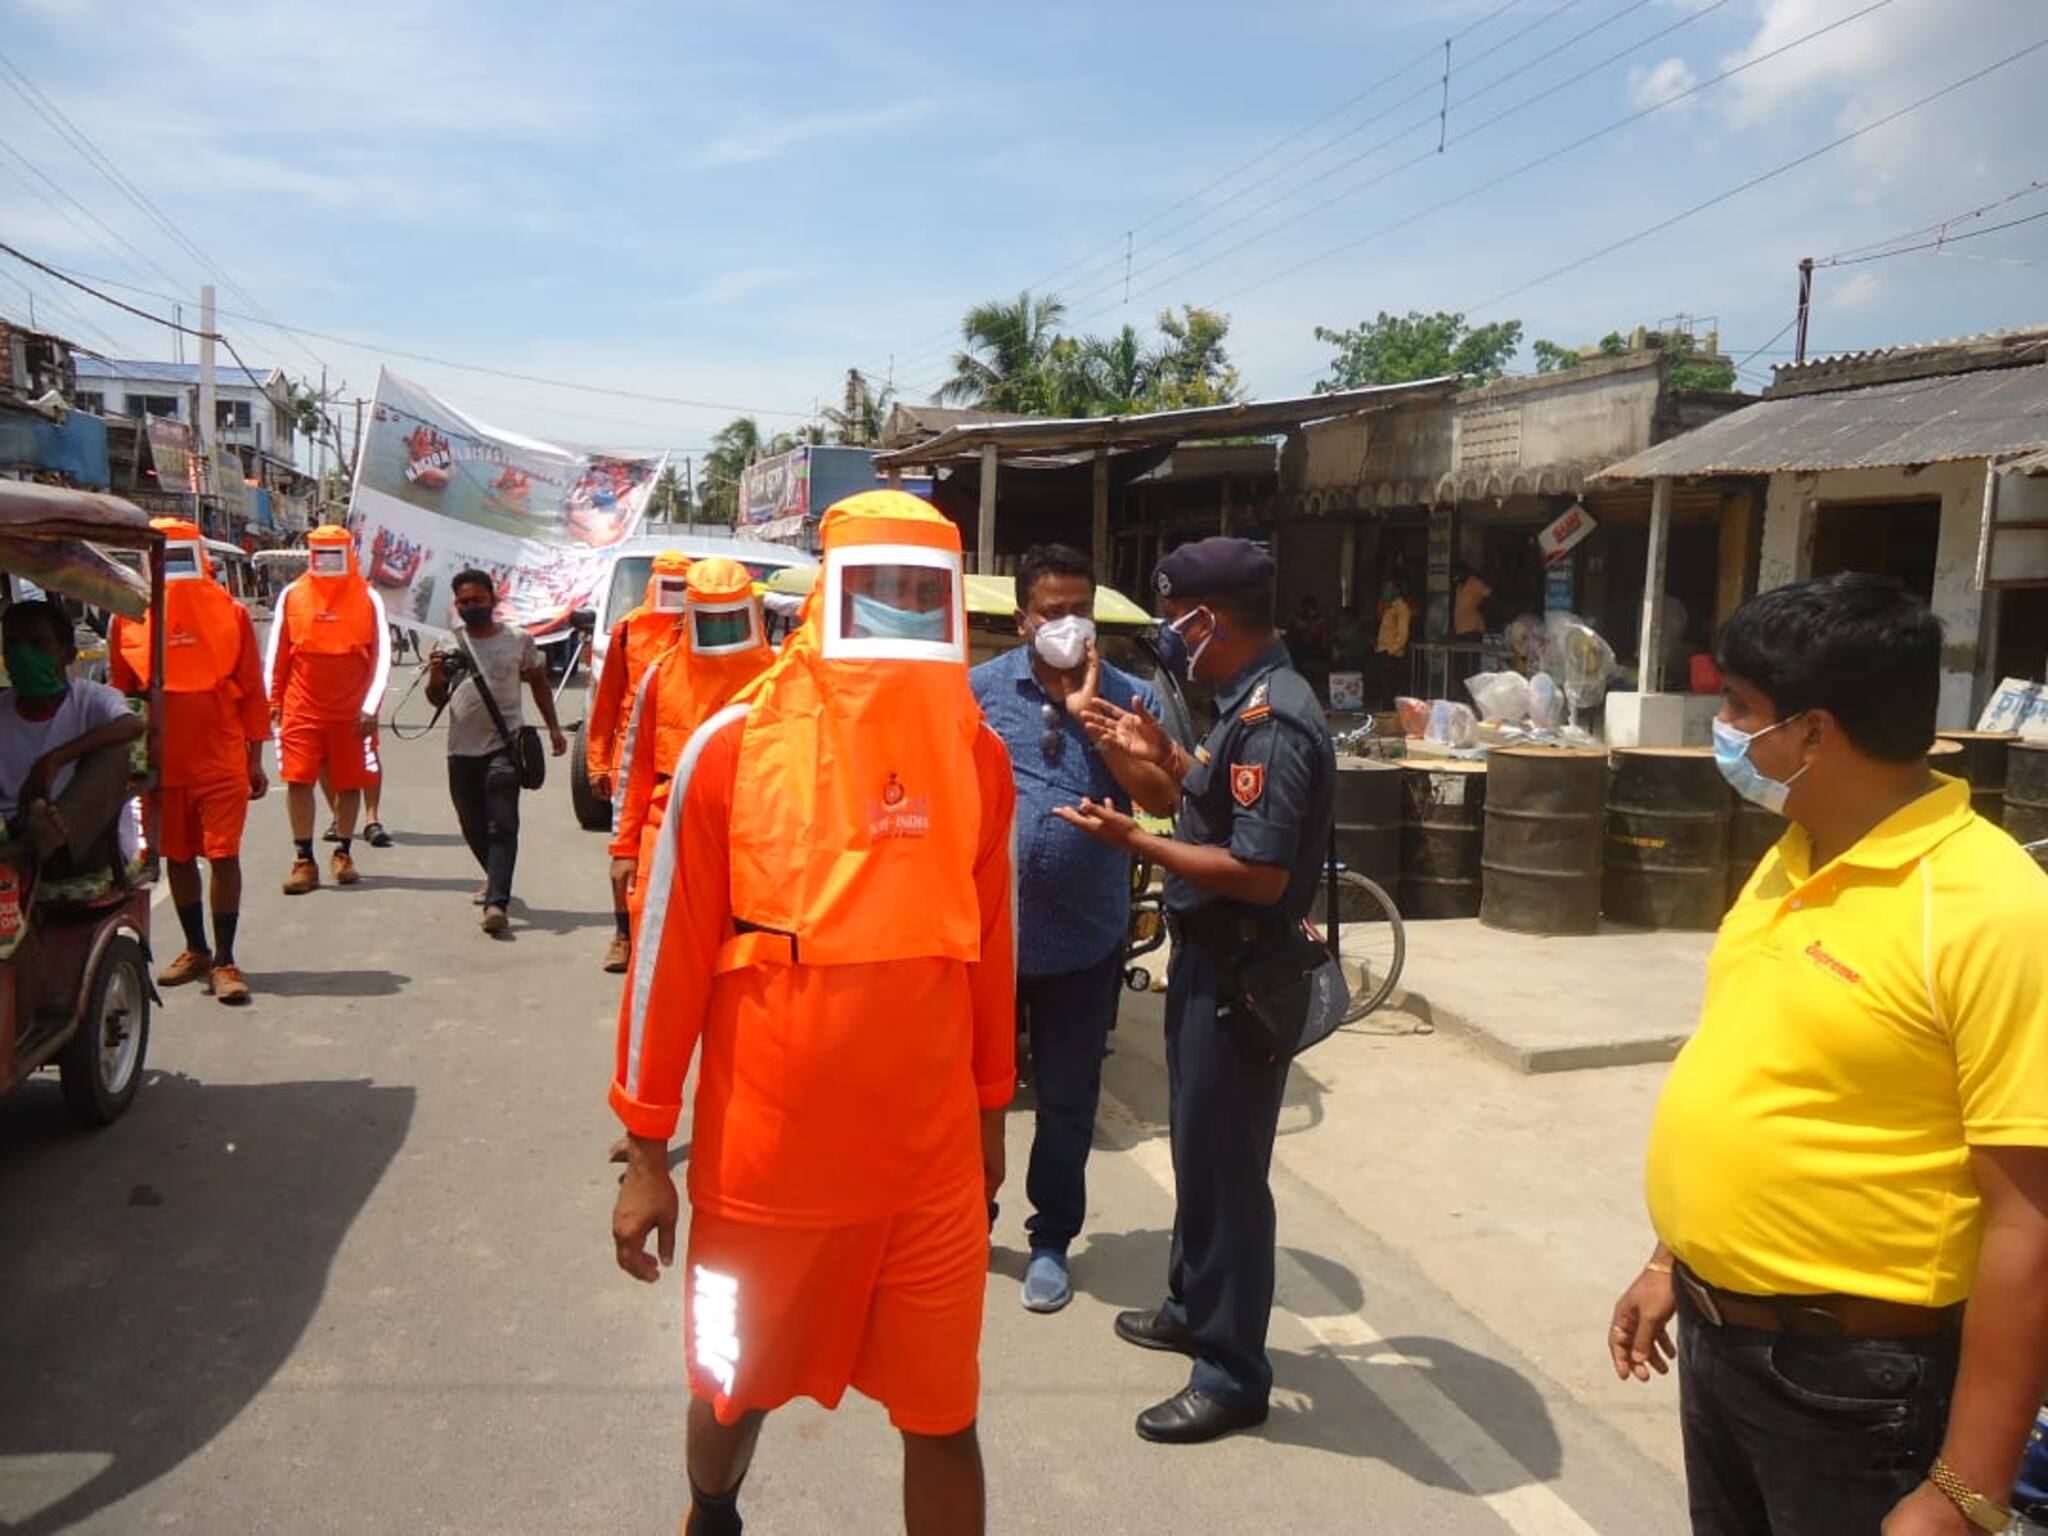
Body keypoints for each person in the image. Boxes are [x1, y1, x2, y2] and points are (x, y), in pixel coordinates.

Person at [1608, 574, 2048, 1536]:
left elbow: (2031, 1221)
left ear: (1813, 734)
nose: (1721, 728)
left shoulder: (1991, 910)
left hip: (1855, 1389)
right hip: (1725, 1346)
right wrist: (1669, 1259)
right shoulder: (1794, 852)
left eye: (1739, 708)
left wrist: (1964, 1498)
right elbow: (1760, 1068)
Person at [610, 491, 1014, 1536]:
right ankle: (712, 1511)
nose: (891, 618)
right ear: (823, 596)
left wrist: (986, 1115)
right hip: (764, 1179)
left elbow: (986, 957)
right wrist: (648, 1151)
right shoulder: (729, 752)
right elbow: (667, 959)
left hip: (926, 1179)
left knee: (943, 1416)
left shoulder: (978, 761)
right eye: (870, 593)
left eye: (915, 596)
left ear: (952, 607)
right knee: (727, 1382)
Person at [1059, 536, 1336, 1445]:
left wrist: (1134, 842)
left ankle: (1231, 1371)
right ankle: (1190, 1304)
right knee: (1198, 1152)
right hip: (1210, 964)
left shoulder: (1274, 720)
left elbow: (1256, 870)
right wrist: (1167, 758)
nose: (1170, 635)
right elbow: (1214, 803)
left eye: (1176, 617)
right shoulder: (1238, 709)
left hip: (1243, 970)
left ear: (1208, 620)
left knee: (1227, 1174)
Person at [969, 543, 1175, 1315]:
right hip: (990, 941)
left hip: (1086, 941)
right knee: (973, 1097)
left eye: (1080, 610)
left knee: (1065, 1102)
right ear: (1022, 619)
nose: (1069, 625)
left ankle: (1051, 1237)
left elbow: (1160, 799)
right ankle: (969, 1220)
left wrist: (1094, 720)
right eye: (1053, 613)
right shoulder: (980, 692)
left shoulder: (1132, 695)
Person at [108, 520, 270, 1005]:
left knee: (223, 856)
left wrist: (255, 759)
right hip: (162, 766)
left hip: (221, 761)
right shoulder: (126, 618)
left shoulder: (232, 614)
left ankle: (225, 958)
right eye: (160, 556)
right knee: (176, 858)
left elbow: (252, 693)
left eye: (176, 555)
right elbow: (121, 699)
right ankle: (196, 948)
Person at [609, 557, 772, 943]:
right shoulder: (661, 676)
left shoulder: (777, 678)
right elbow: (637, 767)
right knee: (660, 942)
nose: (721, 629)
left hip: (748, 833)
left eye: (730, 618)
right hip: (669, 824)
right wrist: (624, 847)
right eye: (710, 618)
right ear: (690, 616)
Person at [425, 569, 567, 936]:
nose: (471, 607)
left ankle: (496, 903)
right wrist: (435, 675)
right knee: (471, 824)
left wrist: (553, 728)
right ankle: (495, 878)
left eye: (478, 600)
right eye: (464, 603)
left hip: (504, 747)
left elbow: (538, 683)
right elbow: (436, 700)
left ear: (494, 600)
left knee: (502, 825)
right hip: (460, 752)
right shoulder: (449, 642)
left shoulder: (518, 640)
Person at [266, 524, 390, 895]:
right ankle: (304, 858)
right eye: (321, 552)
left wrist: (371, 706)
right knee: (298, 780)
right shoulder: (292, 595)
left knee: (349, 782)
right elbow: (278, 653)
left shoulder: (368, 598)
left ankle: (343, 851)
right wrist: (273, 701)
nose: (327, 560)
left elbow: (381, 656)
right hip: (301, 708)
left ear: (349, 552)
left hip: (352, 712)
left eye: (335, 552)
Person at [588, 549, 692, 972]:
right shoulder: (627, 631)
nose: (673, 597)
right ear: (652, 586)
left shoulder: (700, 631)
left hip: (682, 759)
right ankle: (622, 935)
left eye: (681, 589)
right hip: (630, 764)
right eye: (667, 587)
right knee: (624, 854)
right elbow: (607, 702)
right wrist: (597, 762)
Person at [0, 599, 144, 881]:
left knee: (113, 751)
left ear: (67, 654)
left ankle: (39, 843)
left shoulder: (93, 700)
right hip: (14, 835)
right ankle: (31, 844)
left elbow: (132, 725)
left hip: (87, 846)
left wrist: (55, 758)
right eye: (13, 644)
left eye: (37, 644)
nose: (23, 655)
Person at [1373, 576, 1414, 705]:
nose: (1386, 591)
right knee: (1385, 689)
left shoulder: (1401, 608)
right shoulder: (1389, 607)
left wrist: (1391, 650)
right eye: (1385, 588)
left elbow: (1403, 633)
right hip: (1383, 651)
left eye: (1389, 588)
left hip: (1393, 654)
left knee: (1391, 691)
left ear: (1396, 590)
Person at [1290, 594, 1332, 702]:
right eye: (1308, 607)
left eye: (1312, 607)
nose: (1310, 610)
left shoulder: (1321, 621)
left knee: (1317, 674)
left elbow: (1325, 639)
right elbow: (1292, 638)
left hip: (1317, 651)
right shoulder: (1297, 621)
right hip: (1301, 652)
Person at [1453, 563, 1491, 641]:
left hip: (1473, 628)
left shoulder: (1474, 582)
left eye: (1458, 572)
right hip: (1460, 629)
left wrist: (1480, 607)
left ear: (1465, 572)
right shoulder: (1459, 586)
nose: (1456, 575)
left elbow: (1490, 595)